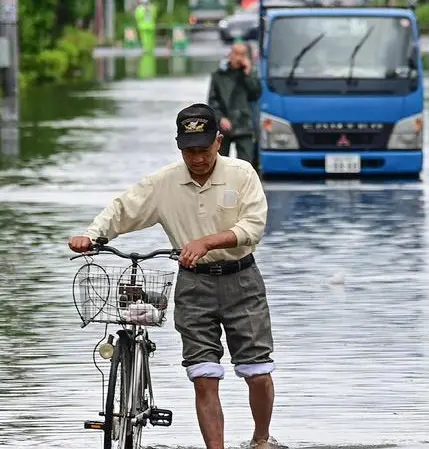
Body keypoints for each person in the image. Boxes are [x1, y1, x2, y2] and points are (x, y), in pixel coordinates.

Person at [68, 103, 277, 449]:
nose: (197, 159)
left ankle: (260, 438)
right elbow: (123, 209)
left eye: (203, 149)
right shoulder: (165, 182)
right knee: (203, 376)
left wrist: (207, 242)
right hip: (194, 284)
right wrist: (91, 235)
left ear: (219, 142)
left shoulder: (242, 174)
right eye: (189, 150)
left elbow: (253, 227)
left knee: (256, 371)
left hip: (242, 280)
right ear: (179, 146)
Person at [207, 42, 262, 167]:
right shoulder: (219, 75)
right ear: (230, 55)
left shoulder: (250, 74)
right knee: (219, 163)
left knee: (246, 165)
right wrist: (220, 118)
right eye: (236, 54)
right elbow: (212, 102)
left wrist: (248, 74)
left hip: (245, 124)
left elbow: (256, 95)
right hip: (224, 124)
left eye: (242, 54)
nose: (238, 58)